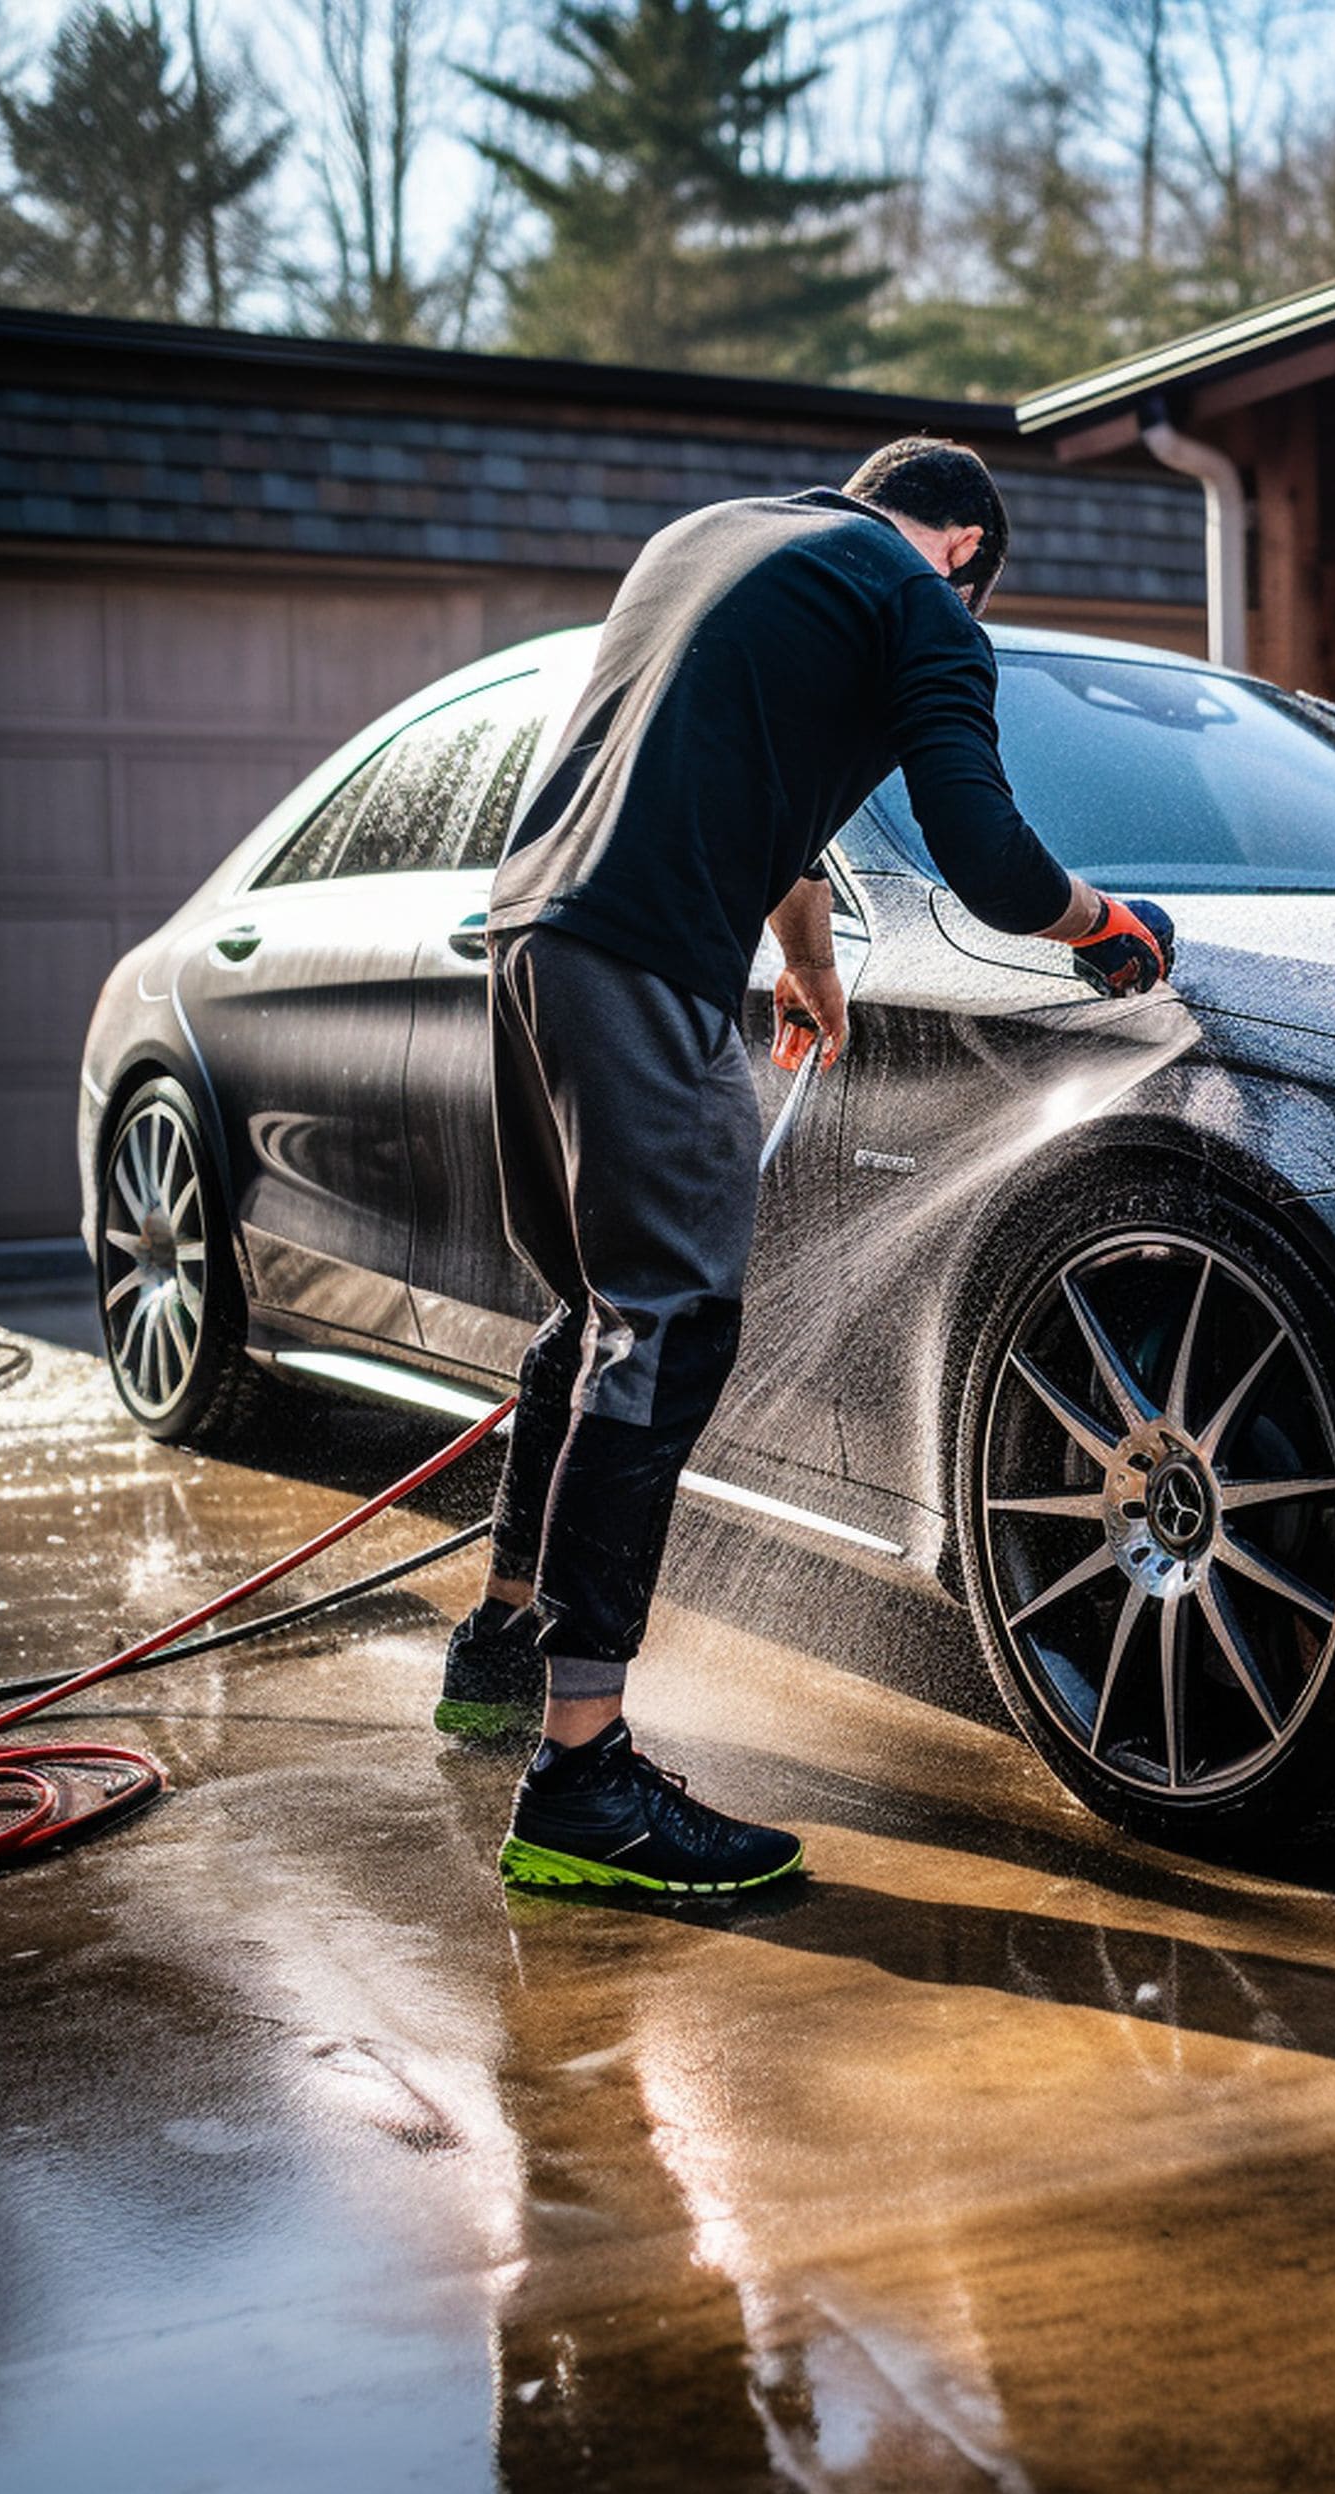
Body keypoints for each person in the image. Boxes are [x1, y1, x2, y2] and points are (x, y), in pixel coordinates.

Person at [436, 438, 1175, 1895]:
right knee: (666, 1333)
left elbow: (742, 778)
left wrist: (810, 961)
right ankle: (583, 1778)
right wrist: (1100, 921)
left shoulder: (712, 541)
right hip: (646, 965)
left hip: (529, 943)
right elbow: (986, 855)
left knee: (594, 1318)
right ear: (964, 549)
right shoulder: (920, 603)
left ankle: (500, 1653)